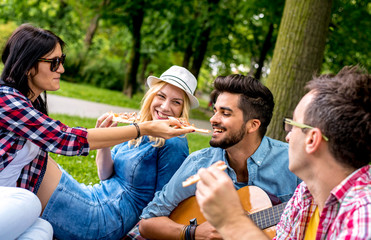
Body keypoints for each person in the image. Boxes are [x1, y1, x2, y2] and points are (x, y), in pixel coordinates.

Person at [195, 66, 371, 239]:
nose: (287, 137)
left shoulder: (364, 217)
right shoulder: (305, 194)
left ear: (312, 140)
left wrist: (232, 221)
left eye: (293, 125)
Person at [37, 65, 200, 240]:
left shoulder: (174, 143)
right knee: (36, 160)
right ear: (152, 96)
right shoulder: (137, 127)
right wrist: (104, 143)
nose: (165, 107)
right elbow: (105, 174)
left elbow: (166, 204)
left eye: (176, 102)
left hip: (108, 220)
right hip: (94, 196)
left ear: (183, 109)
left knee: (36, 166)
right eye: (161, 96)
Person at [138, 74, 301, 239]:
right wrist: (192, 233)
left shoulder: (293, 162)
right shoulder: (199, 163)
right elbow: (148, 222)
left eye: (225, 113)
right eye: (215, 110)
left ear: (253, 125)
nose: (213, 119)